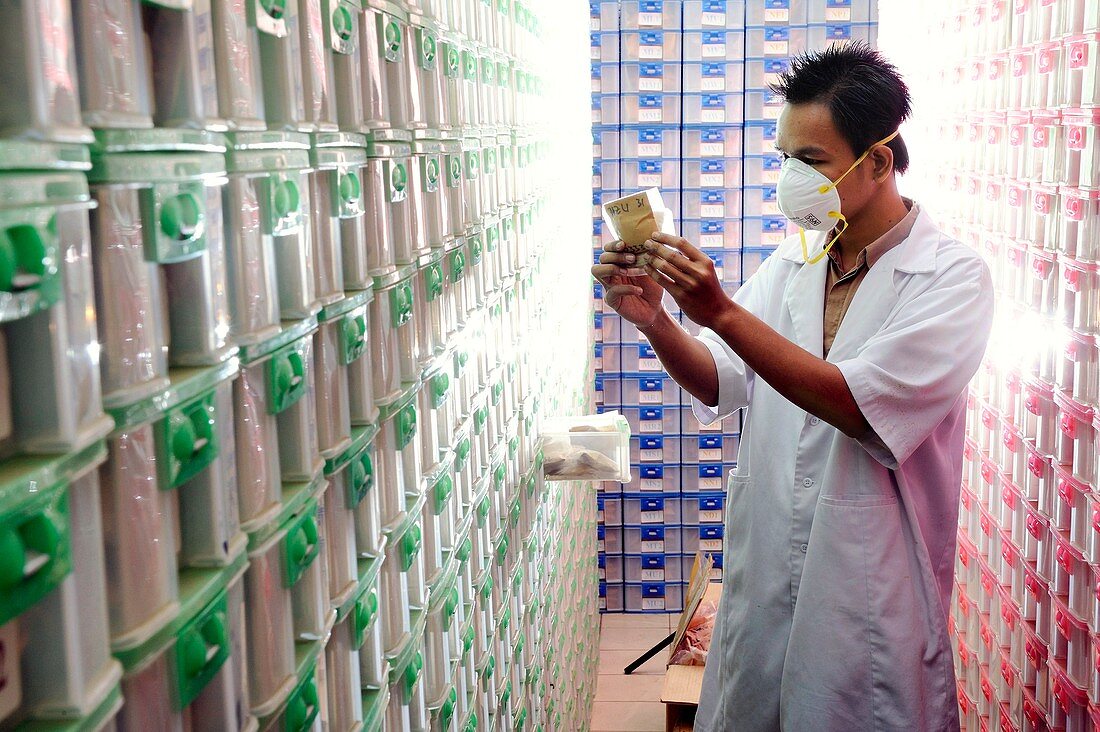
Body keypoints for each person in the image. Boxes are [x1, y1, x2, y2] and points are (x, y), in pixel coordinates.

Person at [592, 43, 994, 731]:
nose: (790, 179)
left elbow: (856, 407)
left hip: (870, 586)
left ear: (879, 160)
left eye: (811, 162)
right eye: (783, 157)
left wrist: (718, 307)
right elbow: (720, 376)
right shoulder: (796, 259)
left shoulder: (952, 280)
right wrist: (657, 319)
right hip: (770, 561)